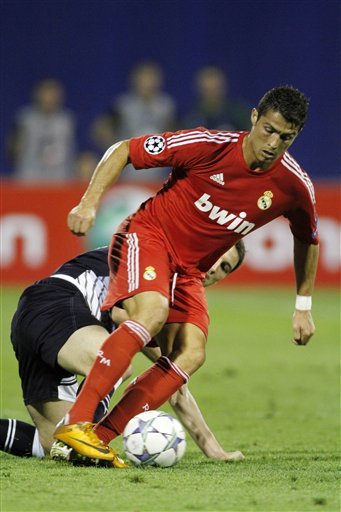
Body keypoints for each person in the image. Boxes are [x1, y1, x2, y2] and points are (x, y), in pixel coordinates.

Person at [54, 86, 319, 465]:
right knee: (152, 312)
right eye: (269, 130)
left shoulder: (294, 186)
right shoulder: (207, 145)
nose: (273, 144)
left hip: (189, 271)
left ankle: (97, 438)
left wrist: (303, 305)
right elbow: (125, 149)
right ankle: (77, 421)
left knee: (192, 353)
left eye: (286, 137)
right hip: (148, 237)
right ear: (254, 117)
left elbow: (308, 238)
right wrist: (88, 202)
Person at [1, 243, 245, 464]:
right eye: (215, 255)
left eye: (224, 267)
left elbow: (173, 382)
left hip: (41, 321)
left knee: (53, 443)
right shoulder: (159, 264)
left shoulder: (167, 298)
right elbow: (119, 313)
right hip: (56, 303)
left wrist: (212, 448)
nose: (214, 269)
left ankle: (83, 434)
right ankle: (89, 434)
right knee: (115, 363)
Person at [90, 61, 177, 182]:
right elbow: (100, 130)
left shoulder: (166, 106)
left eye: (151, 78)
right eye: (144, 78)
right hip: (129, 174)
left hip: (159, 175)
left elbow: (176, 133)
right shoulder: (123, 106)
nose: (147, 83)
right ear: (135, 80)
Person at [6, 79, 77, 182]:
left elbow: (75, 152)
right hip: (29, 180)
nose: (49, 98)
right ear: (37, 95)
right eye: (45, 93)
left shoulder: (67, 121)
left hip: (60, 181)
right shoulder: (25, 120)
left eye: (52, 94)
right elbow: (12, 152)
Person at [182, 66, 250, 131]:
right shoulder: (189, 118)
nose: (212, 95)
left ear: (223, 88)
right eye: (207, 90)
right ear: (199, 89)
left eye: (215, 89)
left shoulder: (239, 113)